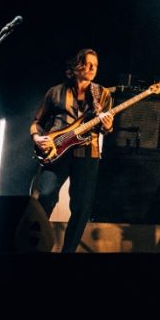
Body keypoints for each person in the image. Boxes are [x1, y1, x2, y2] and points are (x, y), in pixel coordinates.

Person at [29, 48, 115, 253]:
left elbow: (106, 129)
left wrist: (108, 124)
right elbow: (36, 122)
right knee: (45, 197)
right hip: (55, 151)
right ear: (76, 67)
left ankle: (68, 252)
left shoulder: (102, 94)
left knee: (82, 206)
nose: (93, 68)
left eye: (96, 65)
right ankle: (33, 246)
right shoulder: (55, 92)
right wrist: (36, 137)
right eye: (88, 64)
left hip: (87, 154)